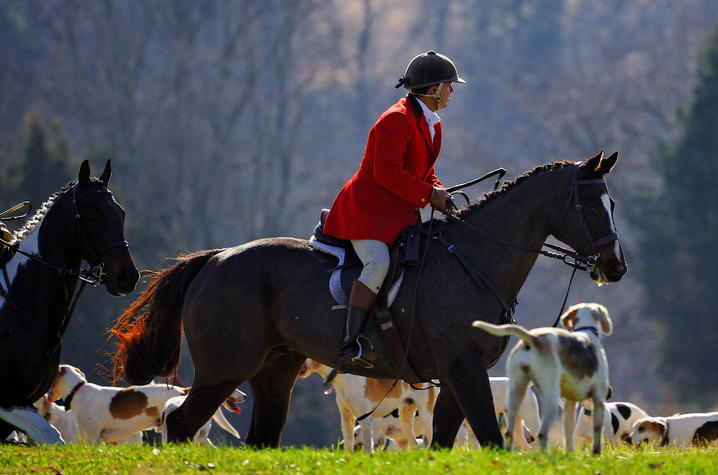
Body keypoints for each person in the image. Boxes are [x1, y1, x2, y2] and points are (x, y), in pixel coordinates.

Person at [323, 50, 464, 370]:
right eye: (448, 85)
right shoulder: (395, 120)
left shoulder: (431, 123)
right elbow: (386, 172)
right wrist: (430, 194)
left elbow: (421, 172)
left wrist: (440, 193)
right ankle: (352, 342)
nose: (451, 91)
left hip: (397, 214)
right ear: (432, 90)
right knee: (378, 264)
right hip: (366, 214)